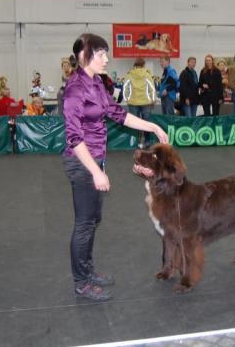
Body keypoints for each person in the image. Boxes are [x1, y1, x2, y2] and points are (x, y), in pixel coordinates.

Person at [62, 33, 168, 301]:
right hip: (82, 162)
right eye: (101, 54)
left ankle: (88, 271)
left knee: (93, 220)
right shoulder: (75, 89)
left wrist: (153, 126)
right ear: (84, 56)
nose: (107, 59)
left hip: (96, 158)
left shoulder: (97, 83)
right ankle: (81, 282)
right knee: (85, 224)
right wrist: (96, 171)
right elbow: (74, 139)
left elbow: (119, 114)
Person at [122, 57, 155, 148]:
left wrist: (127, 99)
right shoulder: (147, 74)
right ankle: (147, 142)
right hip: (146, 103)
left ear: (135, 65)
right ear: (143, 64)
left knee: (134, 123)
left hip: (133, 102)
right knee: (147, 123)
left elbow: (125, 88)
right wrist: (152, 99)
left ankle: (135, 142)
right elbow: (152, 88)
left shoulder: (129, 74)